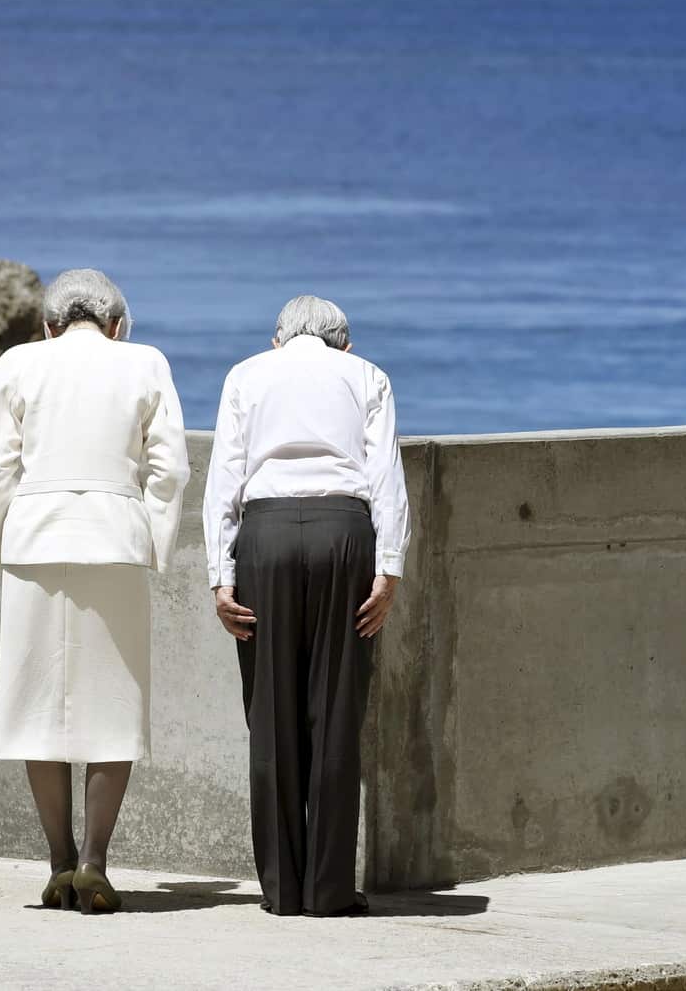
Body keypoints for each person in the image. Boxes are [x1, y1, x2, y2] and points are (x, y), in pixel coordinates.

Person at [0, 268, 189, 913]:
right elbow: (170, 468)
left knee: (36, 703)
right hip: (114, 540)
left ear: (49, 324)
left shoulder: (17, 363)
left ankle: (59, 861)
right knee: (113, 704)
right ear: (117, 323)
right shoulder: (145, 363)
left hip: (35, 540)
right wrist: (153, 542)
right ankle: (96, 859)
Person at [203, 294, 411, 917]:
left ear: (278, 339)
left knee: (270, 715)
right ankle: (328, 889)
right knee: (335, 710)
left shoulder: (246, 375)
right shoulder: (367, 375)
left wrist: (221, 574)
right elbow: (386, 478)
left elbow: (224, 478)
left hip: (264, 536)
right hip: (343, 532)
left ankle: (281, 890)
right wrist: (389, 567)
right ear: (342, 342)